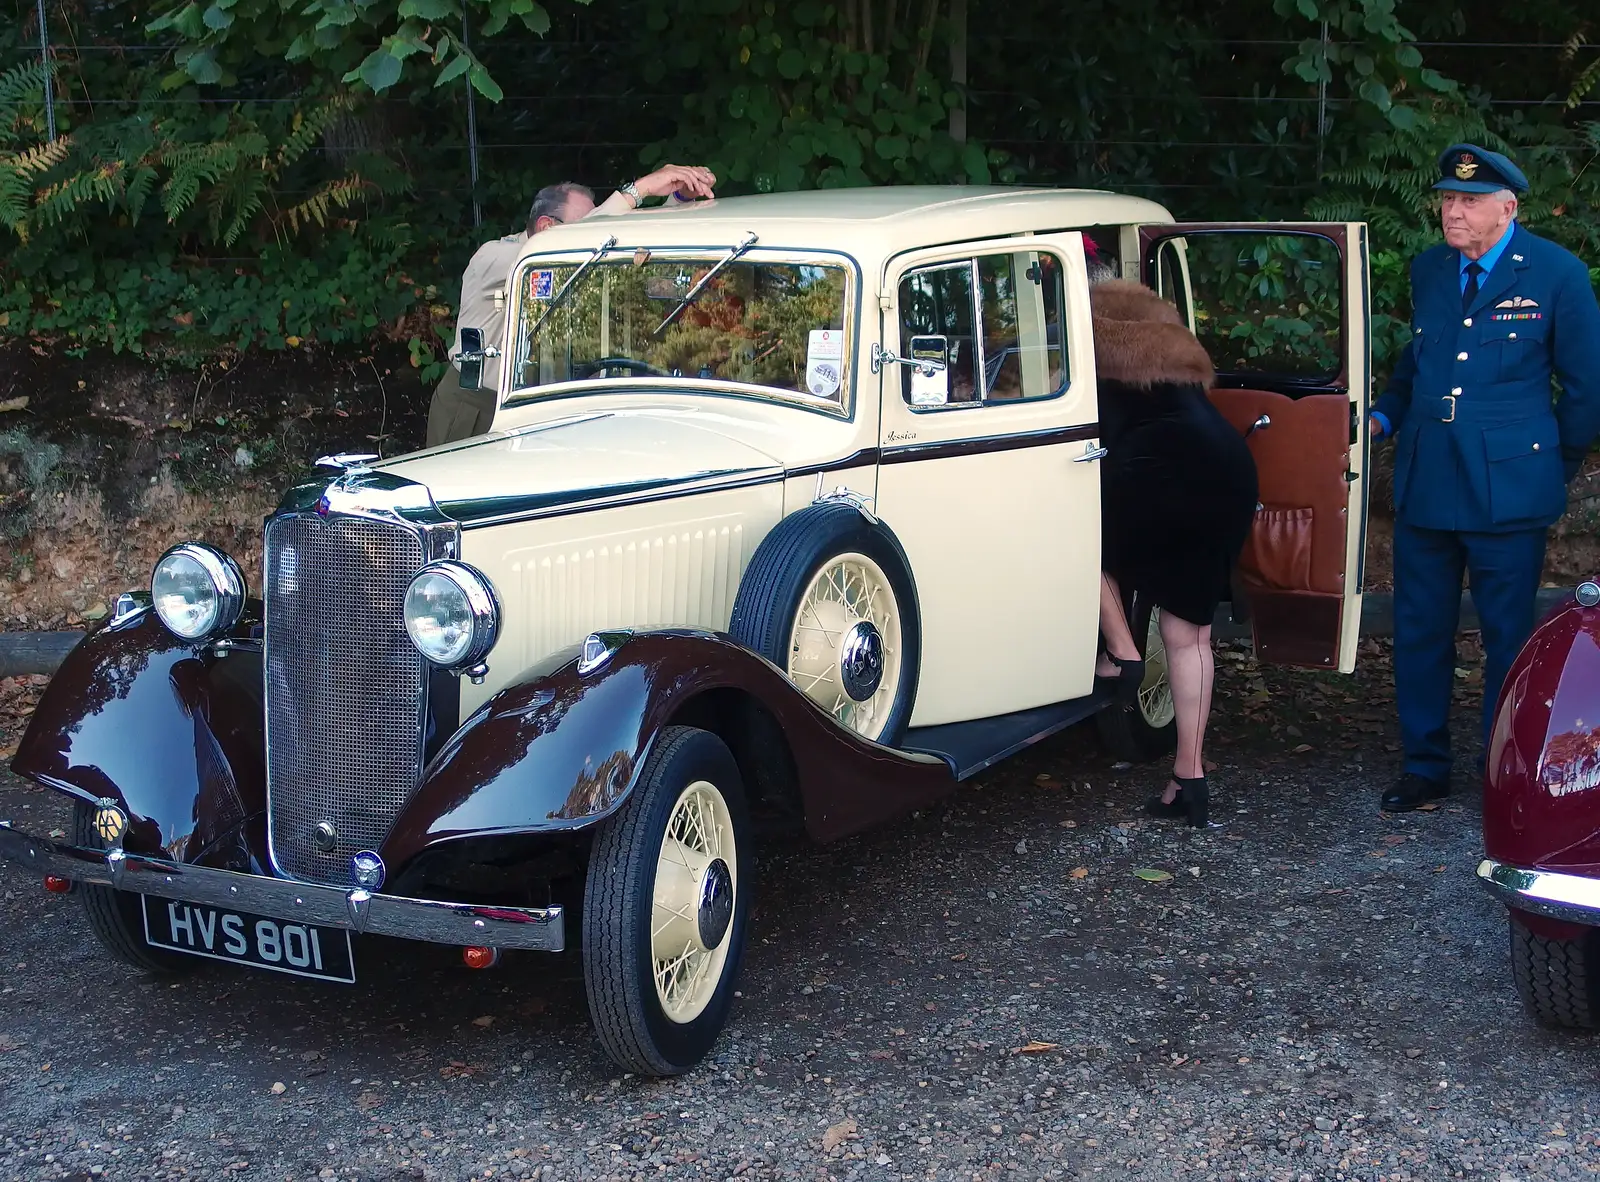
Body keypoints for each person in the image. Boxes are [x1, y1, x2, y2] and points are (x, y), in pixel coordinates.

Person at [1369, 144, 1600, 812]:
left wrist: (1550, 465)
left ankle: (1504, 768)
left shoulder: (1556, 273)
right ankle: (1424, 764)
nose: (1453, 212)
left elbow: (1585, 388)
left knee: (1508, 638)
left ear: (1508, 209)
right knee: (1419, 629)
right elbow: (1419, 361)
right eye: (1446, 199)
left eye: (1469, 202)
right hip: (1429, 480)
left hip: (1509, 489)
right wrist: (1386, 413)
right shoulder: (1430, 269)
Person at [1090, 280, 1260, 828]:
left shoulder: (1074, 337)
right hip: (1227, 467)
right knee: (1191, 636)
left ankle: (1120, 652)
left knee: (1070, 536)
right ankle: (1190, 781)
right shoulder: (1170, 335)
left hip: (1161, 470)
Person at [425, 165, 718, 448]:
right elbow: (588, 241)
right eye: (585, 223)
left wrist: (677, 199)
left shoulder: (570, 260)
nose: (590, 235)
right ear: (546, 226)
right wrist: (640, 189)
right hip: (475, 405)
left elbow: (620, 240)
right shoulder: (496, 257)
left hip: (533, 405)